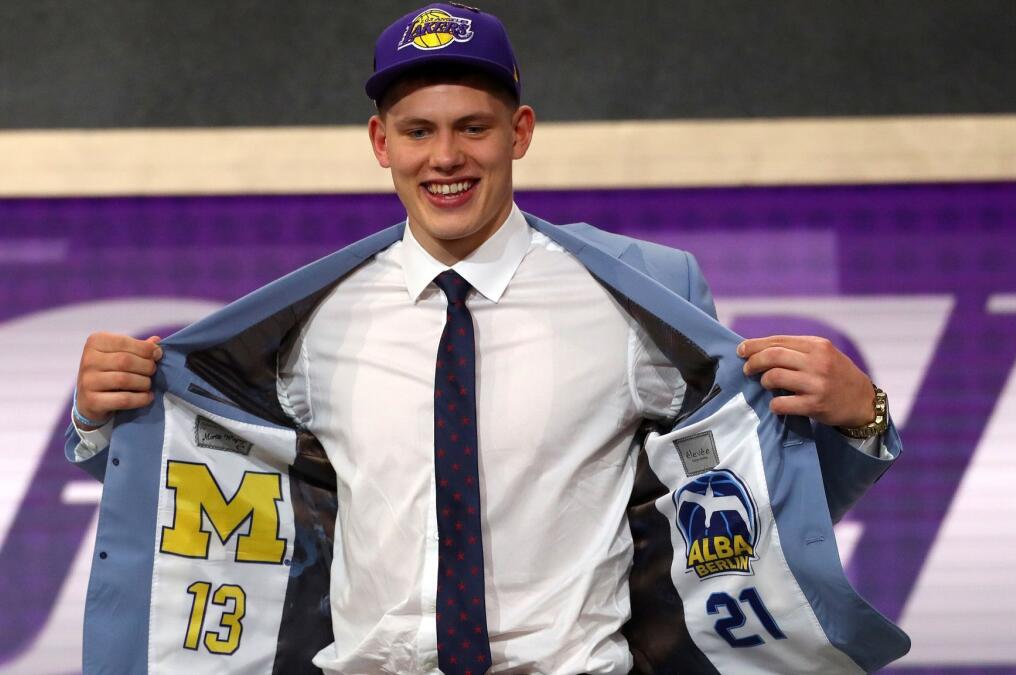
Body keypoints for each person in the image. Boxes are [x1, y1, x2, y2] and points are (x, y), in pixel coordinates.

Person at [67, 4, 903, 673]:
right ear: (380, 143)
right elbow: (203, 473)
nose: (446, 157)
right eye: (419, 130)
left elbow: (751, 499)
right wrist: (104, 416)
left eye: (473, 126)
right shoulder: (314, 319)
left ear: (521, 132)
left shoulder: (637, 296)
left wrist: (863, 417)